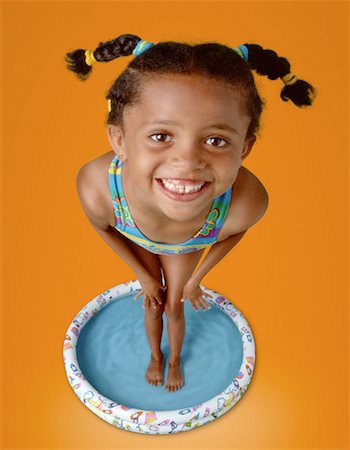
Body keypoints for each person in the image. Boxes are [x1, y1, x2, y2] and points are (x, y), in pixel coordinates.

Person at [65, 34, 316, 392]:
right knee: (151, 303)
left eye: (216, 140)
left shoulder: (247, 203)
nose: (187, 161)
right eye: (161, 136)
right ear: (119, 139)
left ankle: (174, 359)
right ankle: (155, 356)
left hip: (185, 247)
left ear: (244, 148)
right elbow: (104, 228)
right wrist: (143, 274)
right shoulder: (97, 188)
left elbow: (233, 234)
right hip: (137, 239)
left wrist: (199, 277)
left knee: (173, 305)